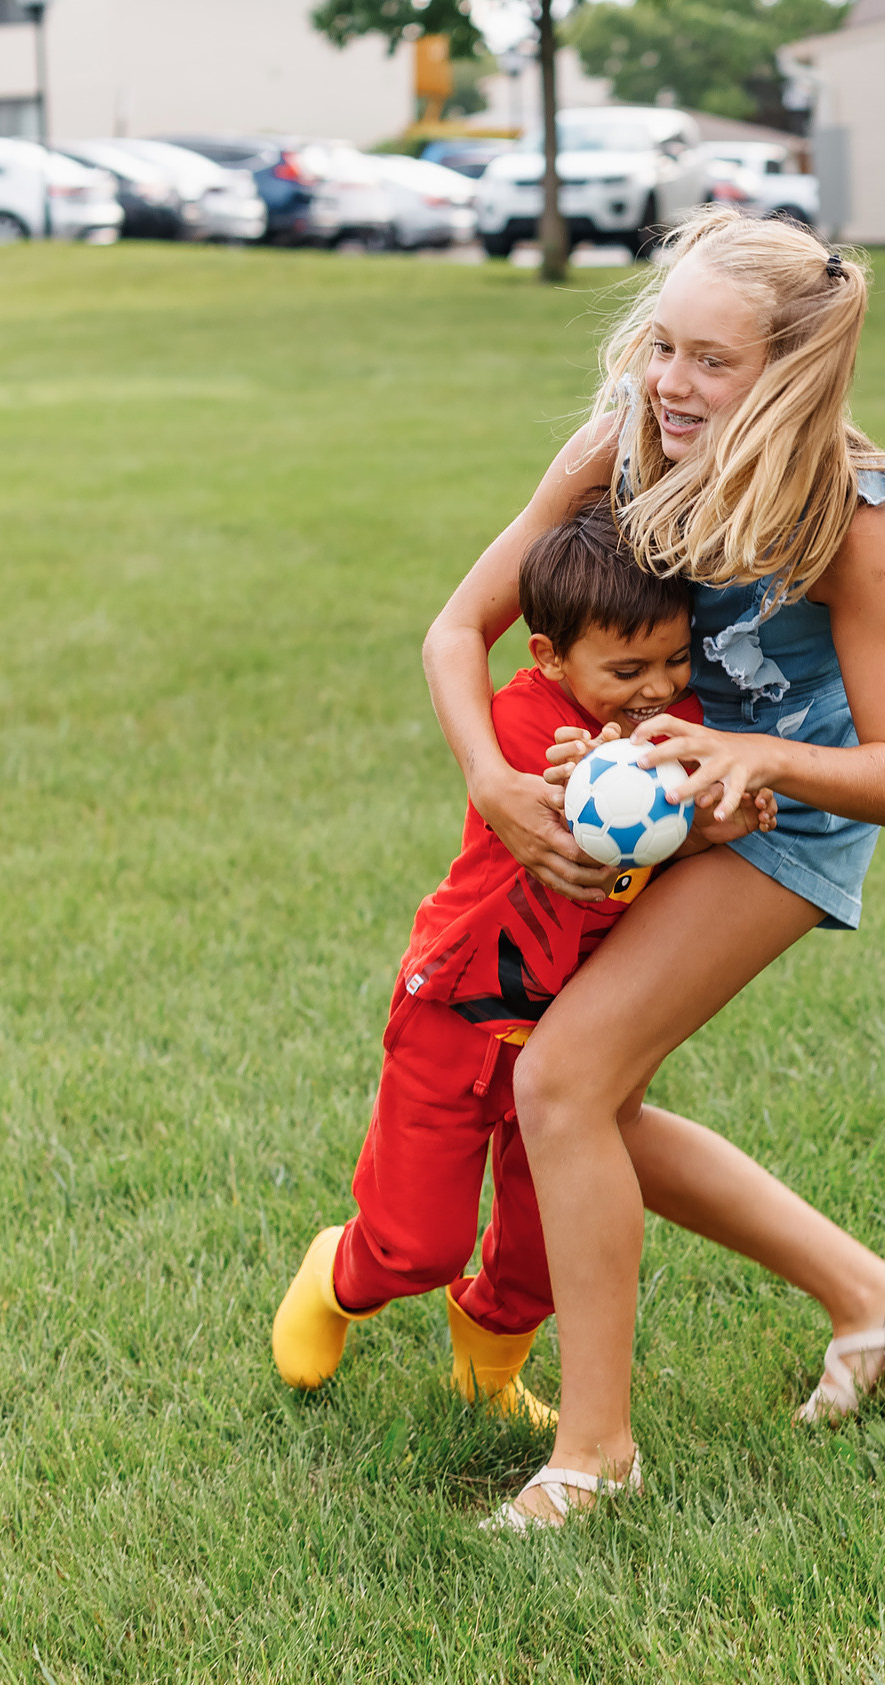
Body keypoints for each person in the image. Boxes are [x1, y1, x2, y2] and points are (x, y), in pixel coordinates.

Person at [422, 208, 885, 1532]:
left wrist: (747, 752)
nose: (671, 382)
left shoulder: (847, 521)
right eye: (664, 344)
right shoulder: (619, 443)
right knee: (589, 1102)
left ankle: (594, 1456)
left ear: (789, 374)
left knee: (558, 1081)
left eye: (711, 361)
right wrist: (492, 779)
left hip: (783, 817)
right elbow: (456, 626)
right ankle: (876, 1301)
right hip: (663, 815)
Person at [270, 499, 775, 1425]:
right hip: (461, 1010)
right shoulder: (524, 722)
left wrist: (716, 825)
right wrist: (592, 768)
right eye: (625, 670)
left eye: (674, 660)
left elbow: (649, 846)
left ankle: (489, 1368)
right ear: (549, 657)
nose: (658, 688)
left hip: (568, 1026)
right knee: (417, 1245)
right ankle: (337, 1273)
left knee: (546, 1242)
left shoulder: (672, 725)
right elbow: (578, 807)